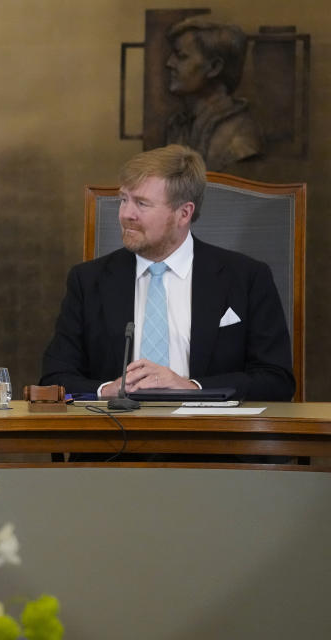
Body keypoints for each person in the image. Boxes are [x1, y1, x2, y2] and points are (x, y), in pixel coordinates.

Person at [40, 144, 294, 401]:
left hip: (213, 434)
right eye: (123, 199)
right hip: (115, 432)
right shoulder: (87, 281)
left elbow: (277, 380)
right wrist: (107, 390)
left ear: (184, 213)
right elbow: (54, 377)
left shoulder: (247, 278)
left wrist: (191, 387)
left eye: (142, 203)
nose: (126, 214)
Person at [164, 17, 264, 171]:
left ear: (214, 67)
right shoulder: (178, 126)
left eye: (181, 56)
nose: (169, 63)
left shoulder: (241, 135)